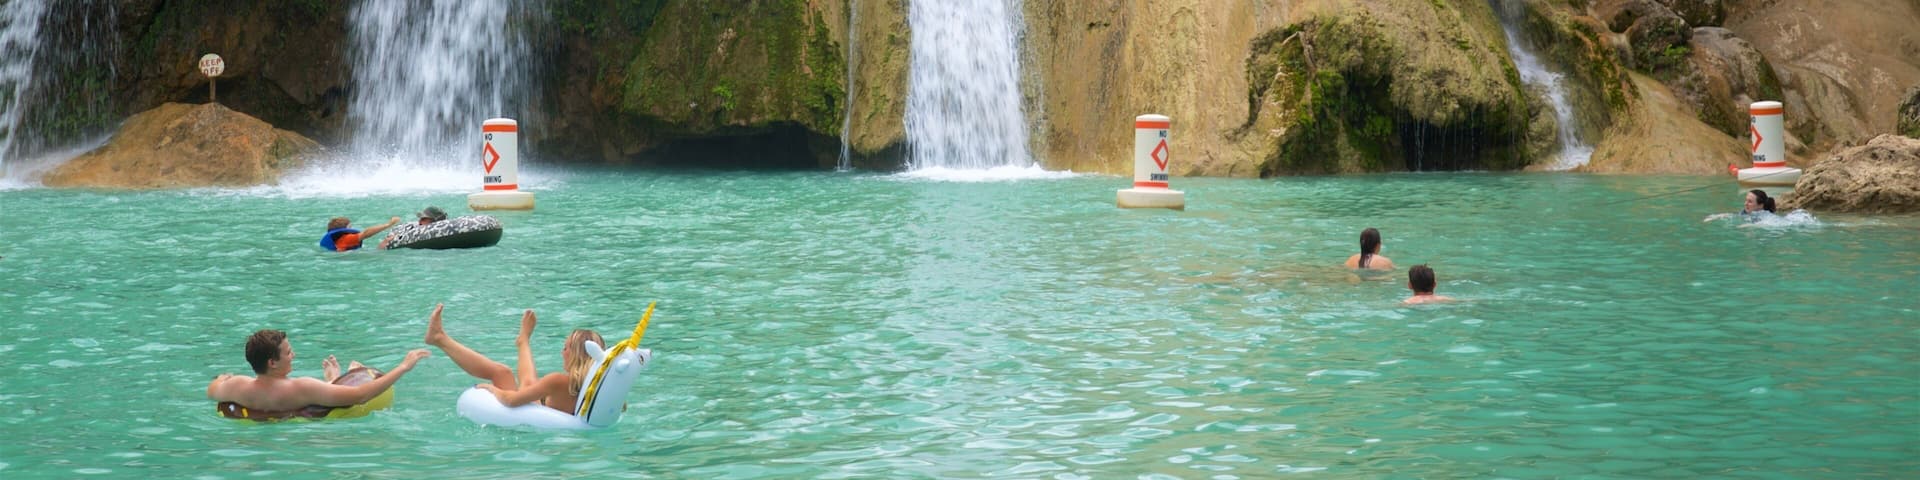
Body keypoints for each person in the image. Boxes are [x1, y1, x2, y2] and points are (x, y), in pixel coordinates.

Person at [423, 303, 604, 415]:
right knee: (524, 382)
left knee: (500, 372)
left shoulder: (559, 381)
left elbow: (511, 400)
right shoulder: (597, 386)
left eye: (565, 348)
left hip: (535, 425)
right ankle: (523, 340)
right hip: (550, 415)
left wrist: (491, 389)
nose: (561, 353)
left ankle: (439, 338)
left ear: (575, 355)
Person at [205, 329, 430, 413]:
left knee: (328, 387)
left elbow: (212, 390)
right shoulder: (300, 387)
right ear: (272, 362)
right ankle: (336, 378)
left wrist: (222, 378)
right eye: (289, 352)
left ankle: (333, 378)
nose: (294, 355)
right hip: (309, 414)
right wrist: (403, 366)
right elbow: (362, 395)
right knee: (347, 379)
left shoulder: (238, 386)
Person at [378, 206, 449, 249]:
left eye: (424, 219)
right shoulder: (412, 230)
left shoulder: (445, 229)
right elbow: (381, 248)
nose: (419, 222)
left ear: (435, 221)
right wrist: (387, 241)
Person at [320, 216, 400, 252]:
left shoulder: (337, 240)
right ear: (345, 228)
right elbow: (366, 233)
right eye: (350, 227)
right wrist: (389, 224)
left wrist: (385, 242)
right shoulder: (345, 238)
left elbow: (375, 252)